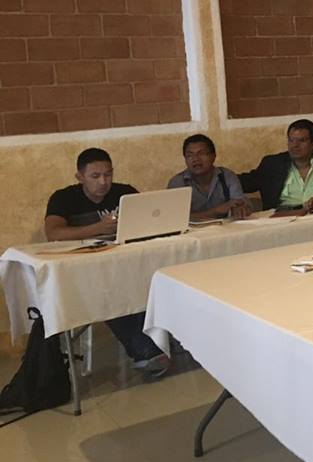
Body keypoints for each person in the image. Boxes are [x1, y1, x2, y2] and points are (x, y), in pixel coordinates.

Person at [44, 148, 168, 377]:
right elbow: (53, 233)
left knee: (154, 280)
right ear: (80, 177)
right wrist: (98, 228)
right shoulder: (63, 198)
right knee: (108, 288)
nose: (103, 182)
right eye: (95, 176)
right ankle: (146, 350)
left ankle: (158, 345)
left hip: (128, 265)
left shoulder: (125, 193)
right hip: (85, 274)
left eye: (108, 174)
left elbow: (150, 221)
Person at [239, 118, 313, 211]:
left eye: (301, 140)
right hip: (283, 219)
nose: (295, 145)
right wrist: (227, 177)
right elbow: (247, 182)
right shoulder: (272, 165)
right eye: (291, 140)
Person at [167, 134, 251, 220]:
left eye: (202, 153)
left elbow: (240, 203)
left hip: (225, 227)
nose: (196, 159)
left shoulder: (227, 176)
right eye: (190, 155)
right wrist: (216, 211)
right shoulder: (177, 183)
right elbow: (175, 218)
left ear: (213, 156)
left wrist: (240, 209)